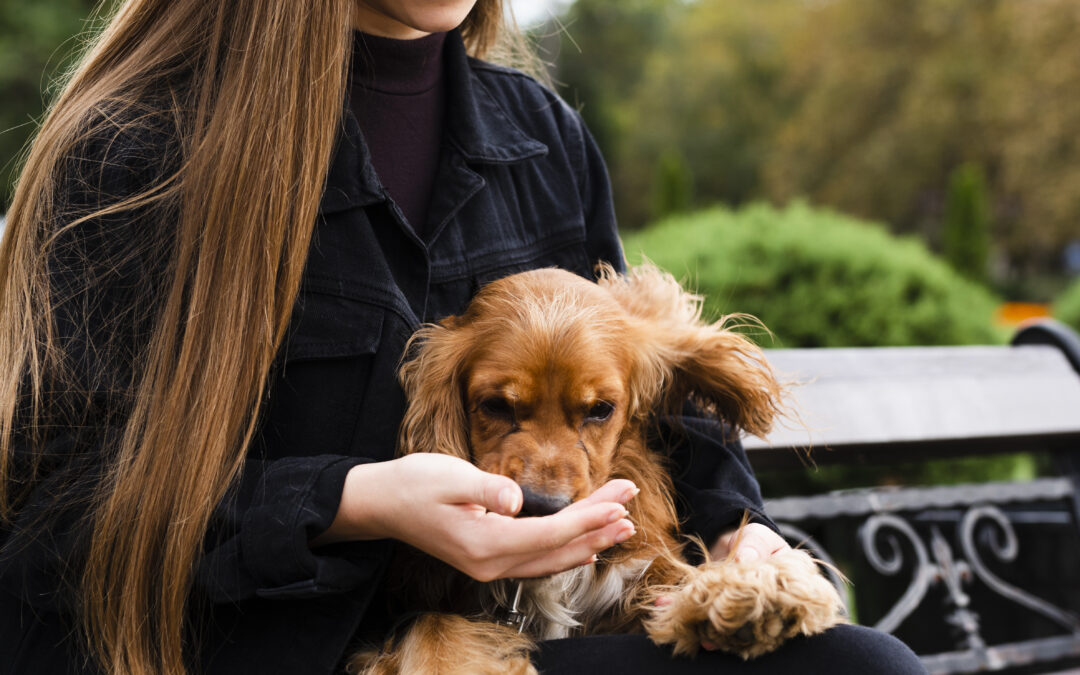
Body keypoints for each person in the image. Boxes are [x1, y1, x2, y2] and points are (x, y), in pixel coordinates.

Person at [0, 1, 927, 673]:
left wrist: (739, 537)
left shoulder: (542, 138)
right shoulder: (134, 151)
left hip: (522, 637)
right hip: (282, 646)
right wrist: (354, 502)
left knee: (857, 667)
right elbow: (51, 519)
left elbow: (650, 402)